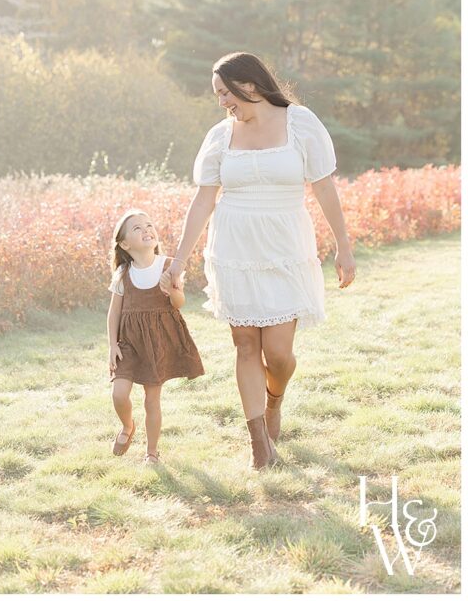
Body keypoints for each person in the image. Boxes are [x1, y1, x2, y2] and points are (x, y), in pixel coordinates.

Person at [164, 52, 355, 470]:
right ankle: (259, 445)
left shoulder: (300, 123)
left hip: (285, 246)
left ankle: (274, 401)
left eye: (223, 93)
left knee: (280, 353)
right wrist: (179, 259)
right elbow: (203, 200)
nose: (221, 103)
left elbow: (323, 187)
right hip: (234, 246)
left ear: (248, 85)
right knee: (246, 343)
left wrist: (343, 244)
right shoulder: (219, 136)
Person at [107, 209, 205, 465]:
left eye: (149, 224)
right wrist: (111, 345)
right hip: (128, 342)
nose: (146, 229)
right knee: (119, 393)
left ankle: (151, 452)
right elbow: (114, 312)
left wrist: (171, 291)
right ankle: (128, 427)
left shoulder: (169, 266)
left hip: (157, 341)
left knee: (152, 399)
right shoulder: (123, 274)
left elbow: (179, 303)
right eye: (137, 228)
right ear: (125, 244)